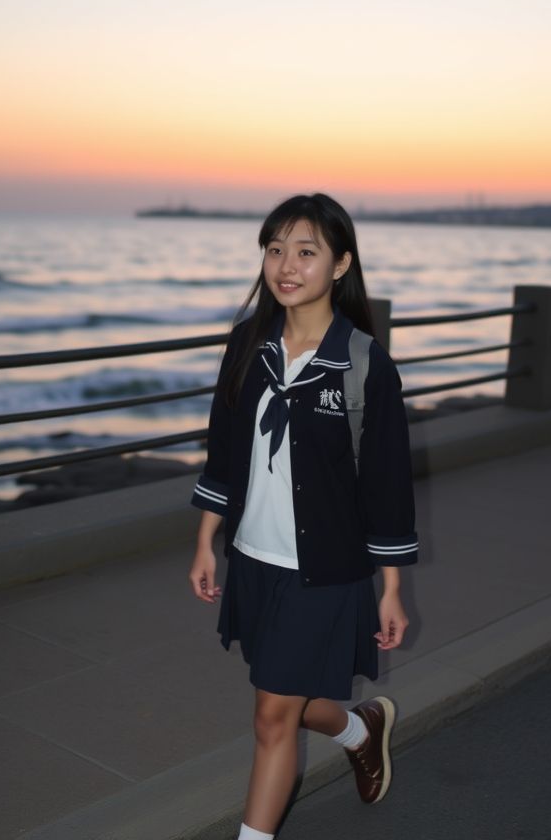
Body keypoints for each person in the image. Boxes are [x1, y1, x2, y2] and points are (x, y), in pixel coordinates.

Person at [188, 193, 418, 840]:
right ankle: (359, 727)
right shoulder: (247, 346)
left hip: (325, 570)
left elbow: (387, 484)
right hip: (254, 560)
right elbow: (223, 453)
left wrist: (392, 586)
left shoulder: (365, 365)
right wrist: (207, 540)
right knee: (284, 691)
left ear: (341, 264)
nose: (286, 265)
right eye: (275, 249)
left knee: (270, 716)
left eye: (306, 252)